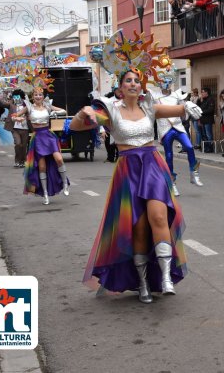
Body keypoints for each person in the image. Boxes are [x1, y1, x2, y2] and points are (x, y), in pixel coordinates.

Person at [73, 30, 202, 304]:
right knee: (140, 228)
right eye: (128, 80)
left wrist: (188, 106)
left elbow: (178, 110)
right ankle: (143, 282)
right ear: (120, 87)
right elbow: (79, 125)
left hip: (152, 165)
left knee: (158, 217)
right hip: (128, 170)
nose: (133, 83)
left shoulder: (150, 106)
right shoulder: (109, 109)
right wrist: (82, 114)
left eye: (137, 80)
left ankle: (165, 276)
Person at [154, 64, 203, 196]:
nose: (166, 83)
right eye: (164, 81)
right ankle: (172, 183)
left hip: (177, 126)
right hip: (165, 129)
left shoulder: (177, 95)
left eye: (168, 81)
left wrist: (189, 107)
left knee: (189, 147)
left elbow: (184, 111)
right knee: (169, 156)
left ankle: (194, 173)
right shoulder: (154, 96)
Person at [16, 85, 69, 205]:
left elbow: (64, 111)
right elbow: (14, 116)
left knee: (59, 159)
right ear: (32, 97)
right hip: (38, 138)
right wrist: (17, 119)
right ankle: (45, 194)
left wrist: (56, 113)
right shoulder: (29, 107)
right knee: (42, 167)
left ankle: (65, 183)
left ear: (43, 96)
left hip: (49, 136)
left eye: (40, 94)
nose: (38, 97)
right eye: (36, 95)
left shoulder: (48, 106)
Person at [8, 89, 30, 168]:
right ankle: (17, 161)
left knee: (24, 146)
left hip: (25, 128)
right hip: (15, 128)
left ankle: (23, 161)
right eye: (15, 97)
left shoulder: (27, 105)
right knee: (18, 143)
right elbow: (3, 104)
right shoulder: (11, 105)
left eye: (18, 97)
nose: (16, 98)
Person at [198, 87, 216, 152]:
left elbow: (210, 110)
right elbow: (198, 107)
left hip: (208, 120)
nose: (201, 93)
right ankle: (206, 147)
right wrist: (199, 100)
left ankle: (210, 148)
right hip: (203, 120)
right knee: (204, 135)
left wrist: (202, 112)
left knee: (209, 135)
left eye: (203, 92)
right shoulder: (203, 100)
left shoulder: (211, 99)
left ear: (206, 92)